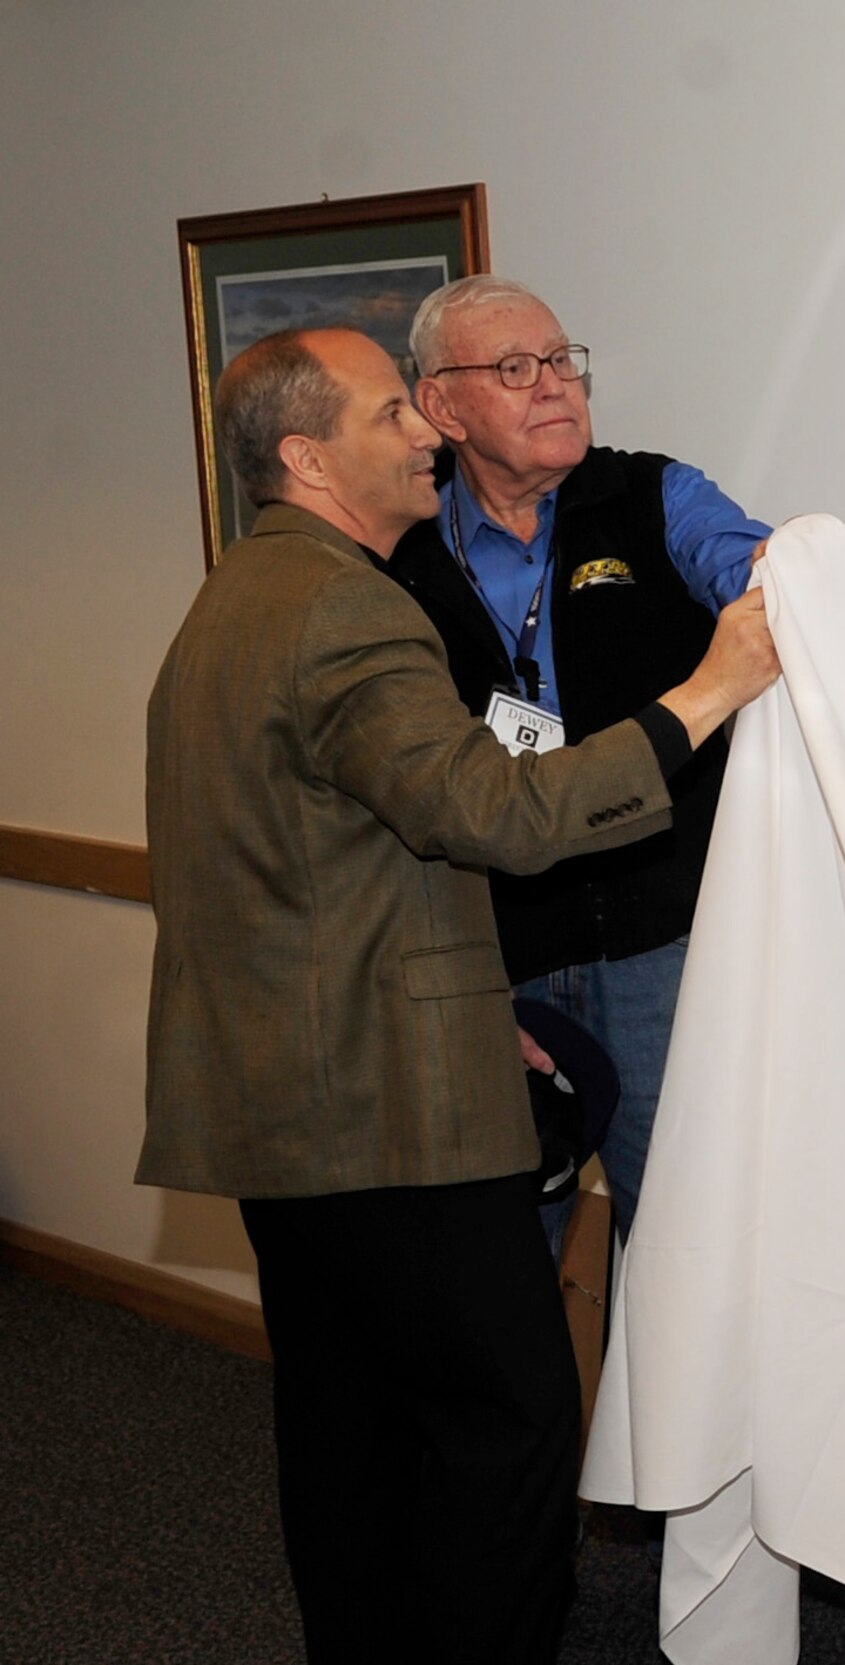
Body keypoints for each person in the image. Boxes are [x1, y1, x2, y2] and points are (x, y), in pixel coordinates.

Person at [138, 326, 779, 1665]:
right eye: (392, 415)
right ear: (310, 457)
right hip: (387, 1124)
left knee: (347, 1423)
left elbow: (315, 867)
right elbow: (501, 812)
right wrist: (711, 691)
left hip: (287, 1104)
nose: (425, 434)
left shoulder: (235, 599)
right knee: (516, 1426)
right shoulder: (348, 609)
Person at [390, 276, 772, 1259]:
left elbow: (771, 583)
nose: (555, 384)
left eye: (563, 360)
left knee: (680, 1249)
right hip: (492, 956)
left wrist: (800, 574)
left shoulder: (650, 497)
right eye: (515, 369)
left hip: (659, 944)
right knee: (497, 1258)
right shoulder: (398, 551)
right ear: (443, 407)